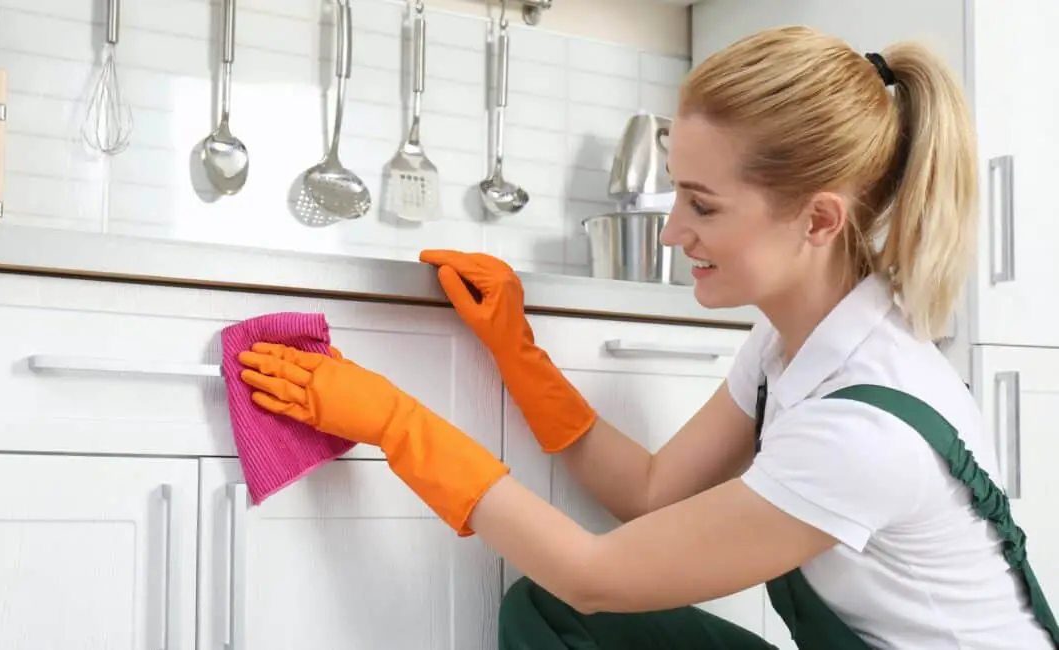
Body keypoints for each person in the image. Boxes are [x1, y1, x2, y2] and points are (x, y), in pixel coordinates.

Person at [236, 25, 1059, 650]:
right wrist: (518, 353)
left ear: (818, 219)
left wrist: (395, 424)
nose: (672, 233)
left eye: (702, 205)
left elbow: (596, 576)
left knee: (573, 599)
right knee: (547, 615)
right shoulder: (795, 347)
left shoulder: (863, 428)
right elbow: (654, 489)